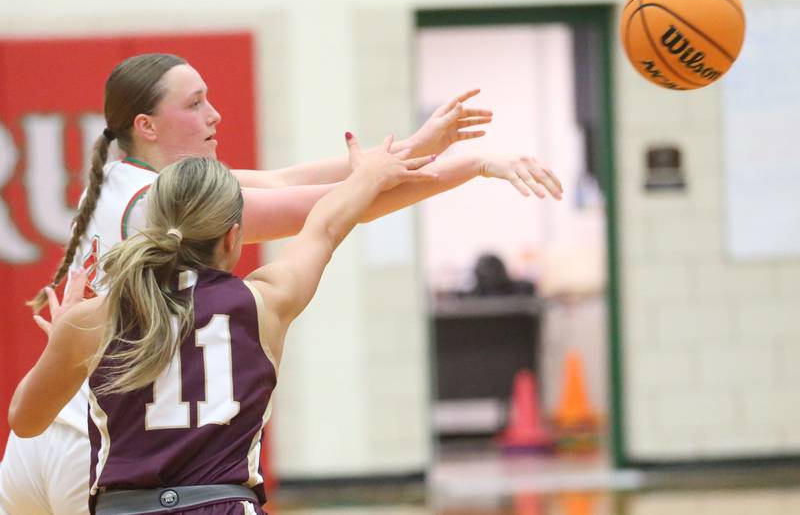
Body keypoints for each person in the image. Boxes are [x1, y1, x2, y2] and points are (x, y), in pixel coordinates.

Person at [1, 53, 563, 515]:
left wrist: (416, 146)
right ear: (146, 125)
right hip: (104, 448)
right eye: (195, 104)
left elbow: (286, 179)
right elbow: (327, 209)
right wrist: (474, 165)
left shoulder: (116, 181)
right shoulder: (169, 218)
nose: (215, 115)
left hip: (44, 429)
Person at [8, 143, 438, 514]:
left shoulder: (94, 318)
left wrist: (65, 338)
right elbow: (324, 227)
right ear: (234, 237)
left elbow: (25, 422)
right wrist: (367, 177)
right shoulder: (264, 301)